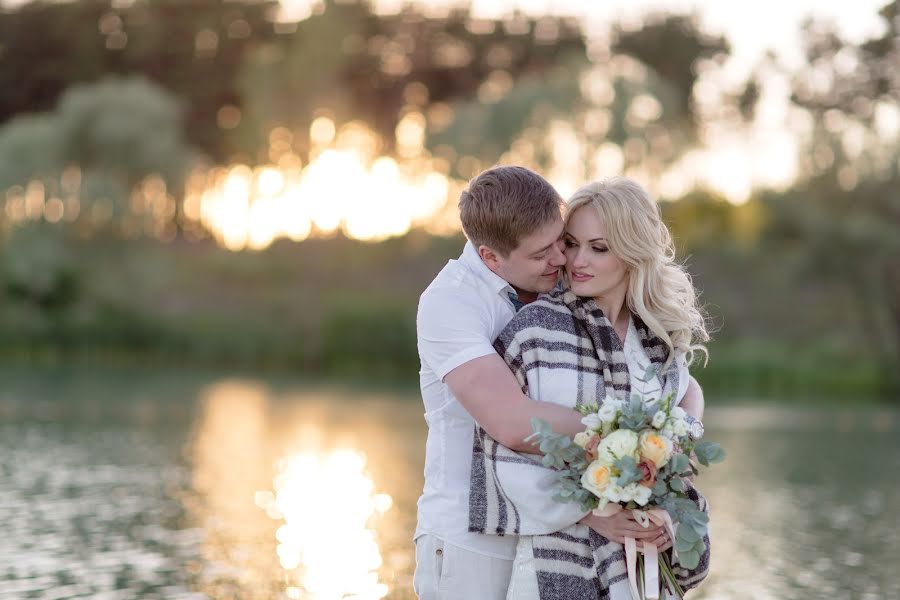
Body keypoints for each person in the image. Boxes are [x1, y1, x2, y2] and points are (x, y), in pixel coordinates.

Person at [467, 177, 711, 599]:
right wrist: (588, 514)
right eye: (571, 243)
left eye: (598, 248)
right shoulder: (534, 330)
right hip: (552, 564)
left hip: (642, 567)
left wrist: (667, 522)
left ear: (633, 254)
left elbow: (678, 447)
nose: (577, 260)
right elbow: (498, 451)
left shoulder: (659, 342)